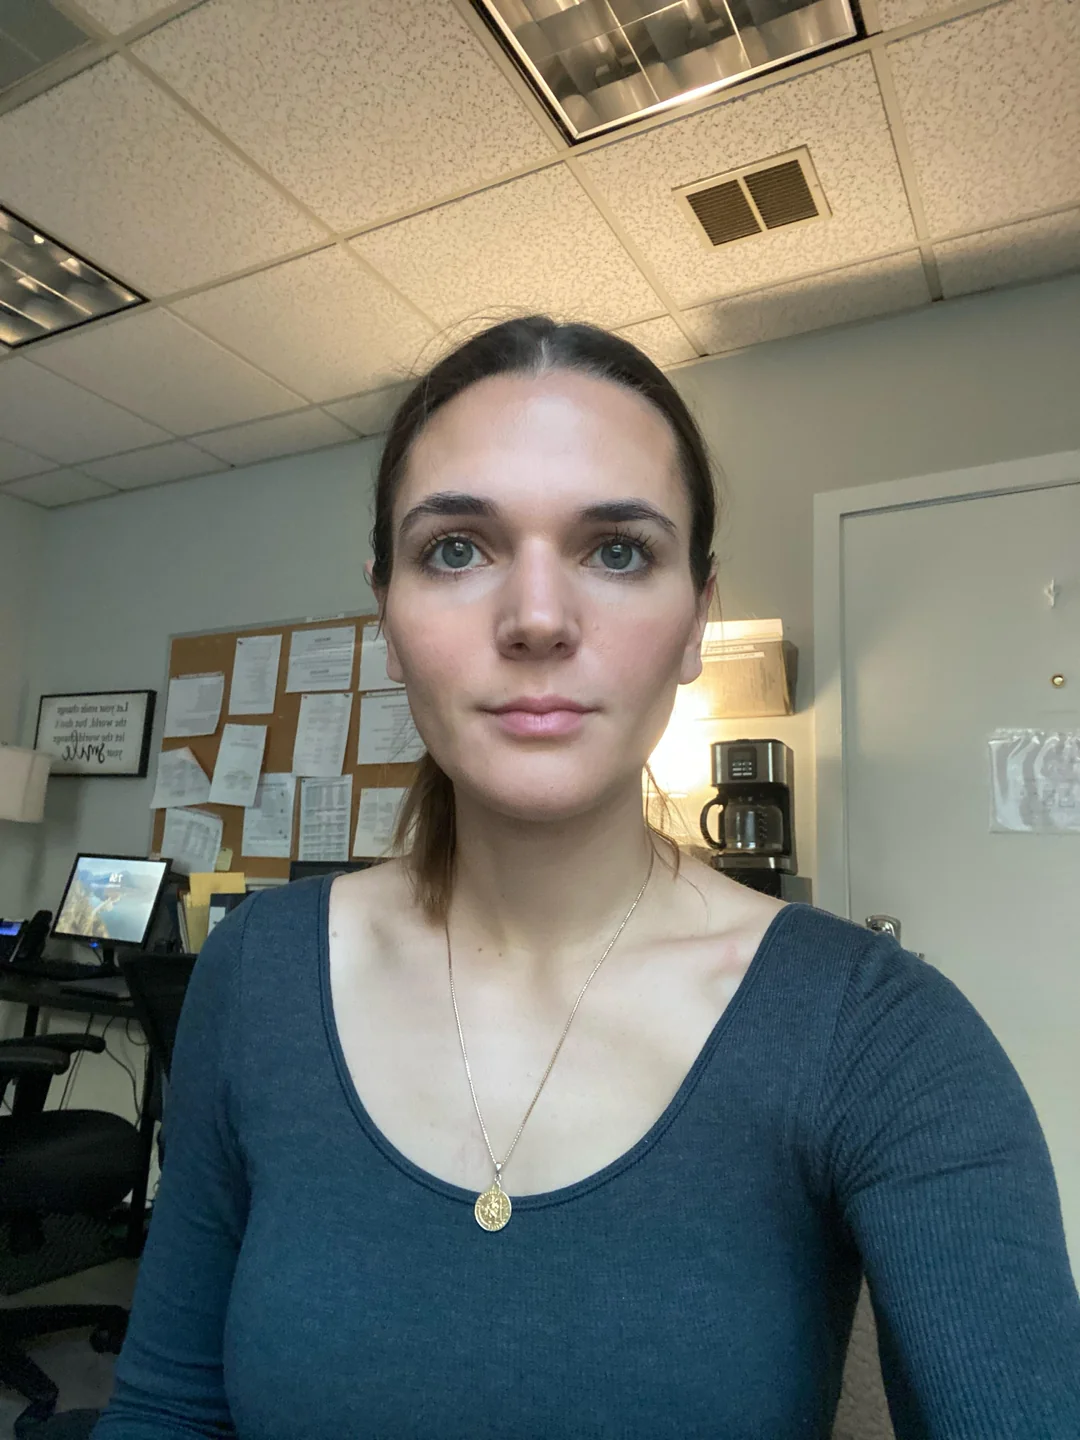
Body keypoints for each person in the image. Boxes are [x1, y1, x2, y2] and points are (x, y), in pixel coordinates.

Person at [93, 316, 1080, 1438]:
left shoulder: (882, 1036)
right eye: (455, 549)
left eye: (617, 551)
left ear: (698, 618)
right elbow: (168, 1409)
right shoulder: (258, 970)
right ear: (387, 617)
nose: (537, 619)